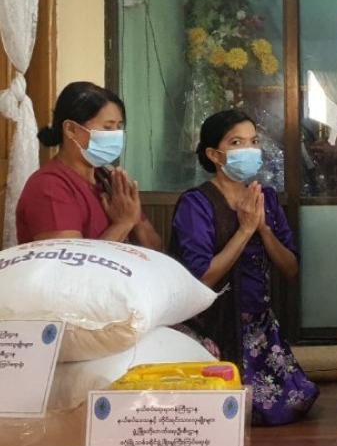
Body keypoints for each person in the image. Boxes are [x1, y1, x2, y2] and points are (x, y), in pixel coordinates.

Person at [170, 110, 318, 426]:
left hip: (258, 324)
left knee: (294, 403)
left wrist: (263, 230)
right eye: (236, 143)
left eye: (253, 141)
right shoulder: (196, 203)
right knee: (222, 408)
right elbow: (202, 277)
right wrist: (245, 231)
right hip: (214, 323)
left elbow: (290, 267)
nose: (249, 150)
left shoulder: (266, 199)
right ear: (214, 154)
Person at [16, 81, 162, 249]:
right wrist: (123, 224)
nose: (116, 135)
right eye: (107, 127)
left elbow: (157, 248)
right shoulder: (49, 186)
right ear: (71, 129)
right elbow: (68, 260)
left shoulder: (109, 179)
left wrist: (135, 219)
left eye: (119, 127)